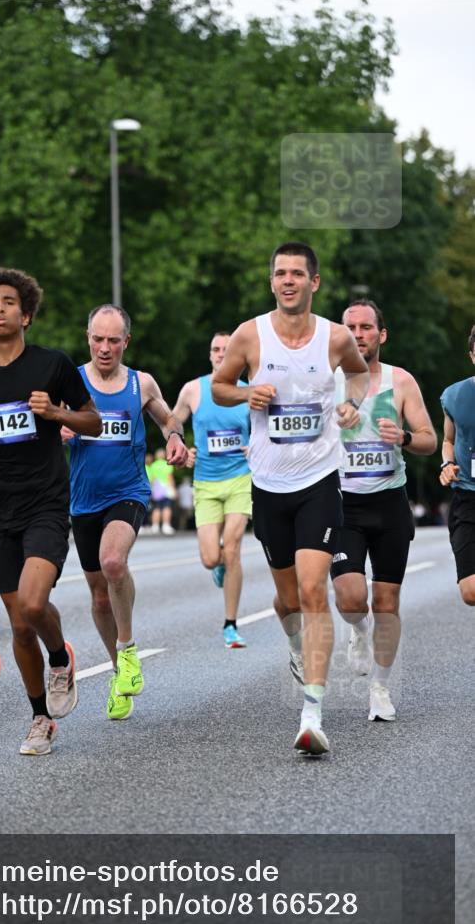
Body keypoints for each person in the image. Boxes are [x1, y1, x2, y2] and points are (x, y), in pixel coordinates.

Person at [212, 242, 369, 755]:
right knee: (286, 600)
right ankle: (298, 647)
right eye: (280, 273)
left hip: (320, 480)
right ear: (272, 281)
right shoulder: (249, 335)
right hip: (269, 485)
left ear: (314, 283)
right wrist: (245, 394)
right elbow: (219, 386)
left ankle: (312, 713)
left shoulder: (335, 337)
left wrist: (350, 404)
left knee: (311, 591)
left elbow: (361, 373)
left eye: (297, 274)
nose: (288, 281)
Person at [0, 268, 102, 755]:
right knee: (16, 625)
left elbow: (93, 421)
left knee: (34, 605)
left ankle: (60, 658)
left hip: (47, 504)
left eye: (9, 302)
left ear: (26, 314)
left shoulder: (52, 365)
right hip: (1, 506)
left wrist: (56, 414)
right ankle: (40, 719)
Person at [62, 304, 188, 721]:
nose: (105, 347)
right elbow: (43, 427)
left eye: (114, 340)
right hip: (83, 501)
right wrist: (57, 430)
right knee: (99, 596)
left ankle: (128, 648)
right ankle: (121, 673)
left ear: (125, 342)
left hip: (128, 492)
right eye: (98, 338)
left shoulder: (141, 383)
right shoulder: (71, 382)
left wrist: (173, 437)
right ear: (87, 337)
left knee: (113, 562)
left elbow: (169, 418)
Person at [330, 299, 436, 722]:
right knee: (352, 598)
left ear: (381, 334)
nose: (358, 334)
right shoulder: (328, 382)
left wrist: (405, 437)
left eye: (366, 327)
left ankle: (380, 689)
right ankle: (358, 630)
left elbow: (429, 438)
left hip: (390, 502)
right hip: (342, 505)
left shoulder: (401, 381)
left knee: (387, 601)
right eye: (351, 327)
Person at [173, 332, 252, 648]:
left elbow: (268, 428)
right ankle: (218, 566)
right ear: (210, 355)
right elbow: (173, 421)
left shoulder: (249, 391)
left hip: (240, 480)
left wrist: (255, 447)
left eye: (227, 349)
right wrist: (180, 446)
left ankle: (230, 624)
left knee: (232, 548)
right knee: (211, 558)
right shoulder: (194, 389)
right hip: (205, 482)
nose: (221, 354)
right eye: (216, 349)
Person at [439, 326, 475, 607]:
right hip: (468, 497)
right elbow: (448, 440)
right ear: (472, 356)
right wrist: (447, 463)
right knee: (470, 592)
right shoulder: (454, 396)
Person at [147, 447, 176, 534]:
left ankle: (155, 526)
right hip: (166, 489)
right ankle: (165, 525)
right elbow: (170, 477)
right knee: (166, 507)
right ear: (164, 455)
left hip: (156, 489)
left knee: (156, 508)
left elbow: (152, 479)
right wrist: (173, 489)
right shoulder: (167, 464)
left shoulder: (152, 465)